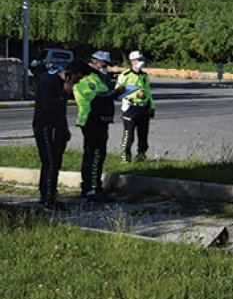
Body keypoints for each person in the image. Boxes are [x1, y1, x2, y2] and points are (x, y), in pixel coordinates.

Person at [32, 60, 89, 211]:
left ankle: (49, 195)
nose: (77, 82)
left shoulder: (61, 84)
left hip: (57, 128)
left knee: (55, 163)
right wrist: (65, 93)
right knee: (50, 162)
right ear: (71, 74)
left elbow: (61, 111)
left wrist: (65, 129)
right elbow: (49, 106)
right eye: (77, 78)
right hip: (45, 126)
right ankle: (48, 198)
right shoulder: (49, 82)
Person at [74, 52, 123, 202]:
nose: (105, 68)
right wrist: (116, 92)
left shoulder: (97, 78)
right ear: (95, 62)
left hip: (100, 121)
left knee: (98, 155)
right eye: (104, 64)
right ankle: (92, 189)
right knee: (94, 155)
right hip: (92, 120)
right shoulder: (87, 78)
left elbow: (104, 93)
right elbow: (97, 98)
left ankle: (93, 187)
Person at [116, 51, 155, 163]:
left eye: (142, 59)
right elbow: (118, 92)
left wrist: (151, 106)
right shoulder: (125, 75)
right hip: (131, 108)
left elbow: (148, 92)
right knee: (129, 136)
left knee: (143, 136)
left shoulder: (144, 76)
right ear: (132, 61)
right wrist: (134, 94)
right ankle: (125, 158)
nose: (141, 62)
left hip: (143, 108)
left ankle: (141, 156)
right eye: (139, 59)